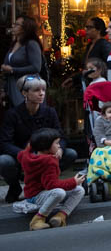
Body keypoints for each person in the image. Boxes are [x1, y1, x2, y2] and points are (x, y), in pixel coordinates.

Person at [0, 75, 77, 203]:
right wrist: (24, 154)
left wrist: (60, 149)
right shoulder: (12, 114)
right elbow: (5, 143)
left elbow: (61, 136)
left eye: (43, 90)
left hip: (46, 157)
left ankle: (47, 182)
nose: (41, 93)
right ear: (24, 93)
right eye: (36, 90)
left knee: (70, 153)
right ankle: (14, 187)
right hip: (21, 157)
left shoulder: (49, 112)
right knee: (3, 161)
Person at [18, 128, 85, 230]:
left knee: (79, 190)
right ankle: (38, 220)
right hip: (36, 196)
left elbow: (21, 153)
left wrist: (32, 144)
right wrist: (73, 182)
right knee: (59, 192)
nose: (59, 146)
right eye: (57, 143)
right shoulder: (49, 161)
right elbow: (52, 185)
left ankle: (60, 216)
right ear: (46, 146)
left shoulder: (27, 155)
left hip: (33, 194)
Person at [2, 15, 43, 109]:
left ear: (25, 28)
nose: (13, 26)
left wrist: (13, 70)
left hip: (26, 89)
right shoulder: (14, 44)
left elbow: (36, 67)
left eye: (17, 24)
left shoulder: (31, 44)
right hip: (12, 88)